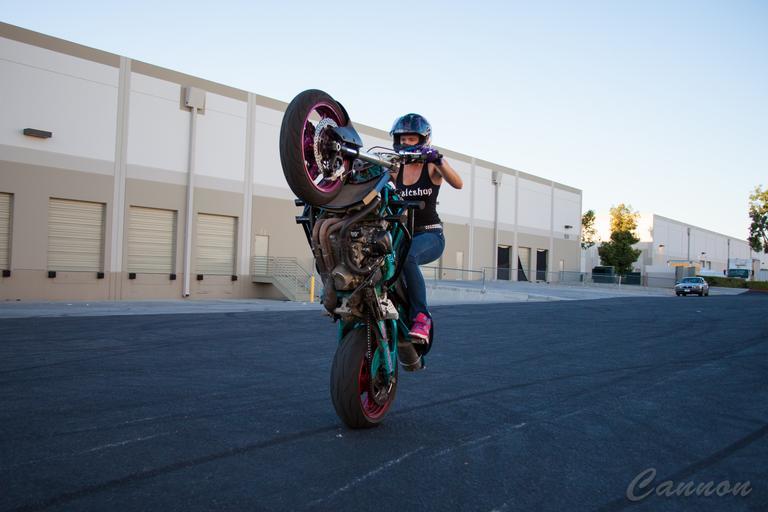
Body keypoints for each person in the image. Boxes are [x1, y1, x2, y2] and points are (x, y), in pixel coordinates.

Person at [390, 113, 463, 343]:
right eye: (402, 139)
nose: (406, 143)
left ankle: (422, 317)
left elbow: (458, 183)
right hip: (405, 234)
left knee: (408, 256)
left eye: (411, 139)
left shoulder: (432, 166)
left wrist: (439, 159)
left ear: (423, 139)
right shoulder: (396, 169)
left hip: (431, 235)